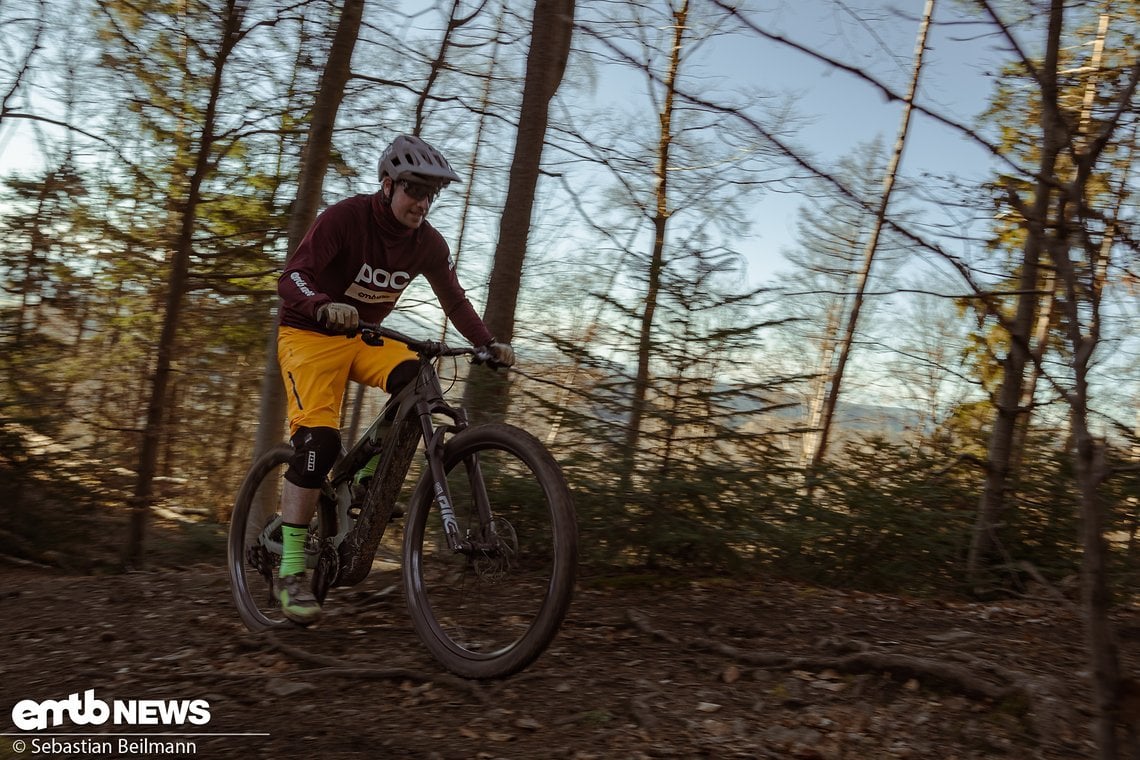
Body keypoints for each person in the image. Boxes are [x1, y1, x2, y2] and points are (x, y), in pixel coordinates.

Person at [273, 134, 514, 623]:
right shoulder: (346, 218)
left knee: (416, 377)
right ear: (387, 185)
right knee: (318, 444)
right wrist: (323, 304)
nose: (422, 203)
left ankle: (364, 479)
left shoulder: (427, 243)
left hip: (364, 338)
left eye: (431, 195)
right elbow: (291, 277)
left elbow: (455, 300)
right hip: (308, 335)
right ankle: (290, 568)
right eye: (414, 191)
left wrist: (486, 342)